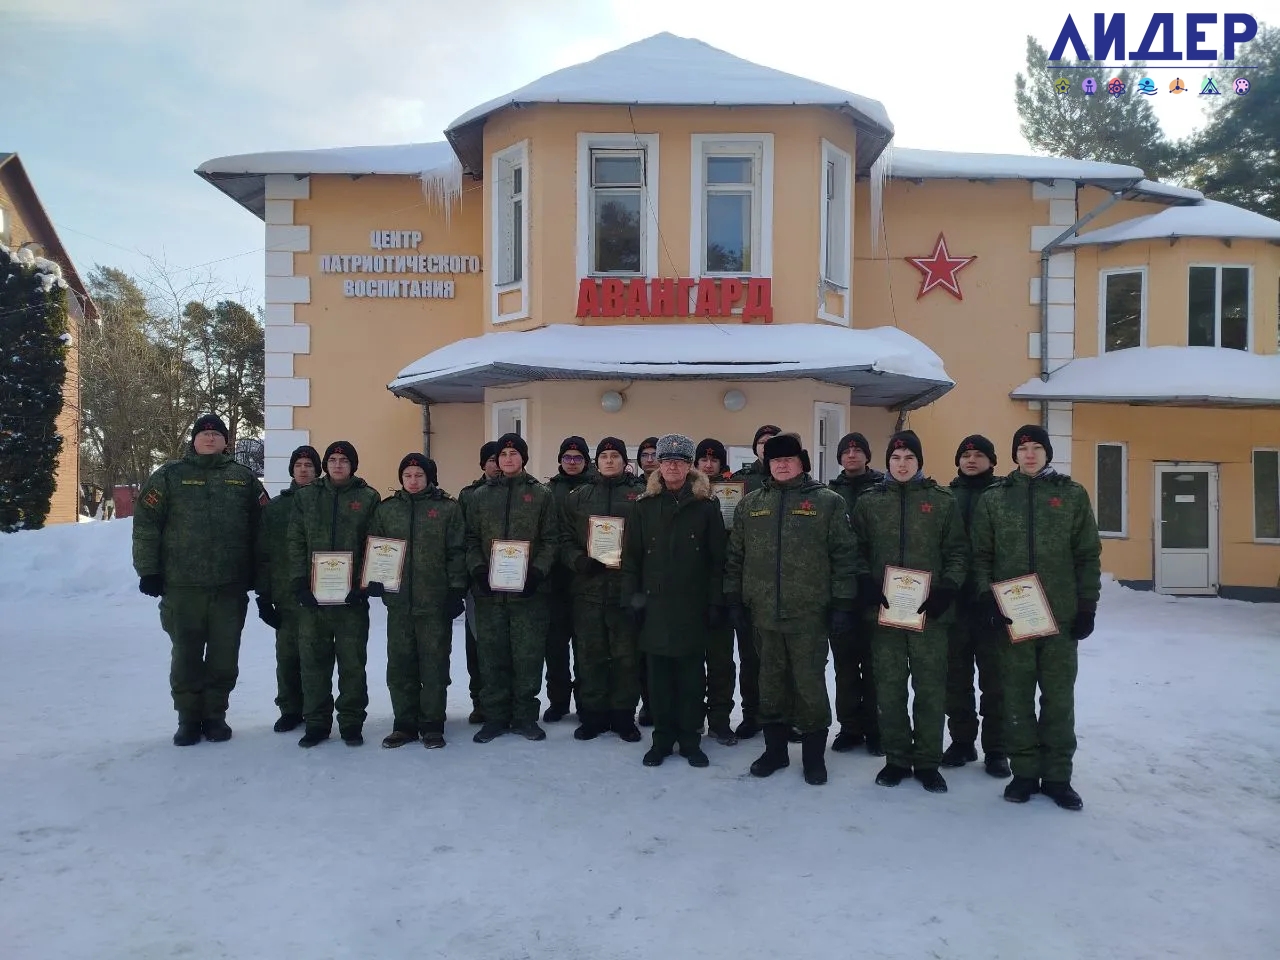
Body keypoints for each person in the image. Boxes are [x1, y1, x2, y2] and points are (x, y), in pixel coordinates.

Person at [971, 425, 1101, 811]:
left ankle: (1058, 777)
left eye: (1036, 448)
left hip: (1060, 617)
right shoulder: (996, 498)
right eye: (1023, 448)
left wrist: (1087, 605)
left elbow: (1087, 554)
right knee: (1016, 696)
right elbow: (981, 555)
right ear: (1014, 454)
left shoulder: (1071, 495)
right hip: (1014, 618)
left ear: (1048, 453)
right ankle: (1025, 772)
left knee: (1058, 698)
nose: (1029, 454)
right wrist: (988, 600)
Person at [725, 433, 859, 786]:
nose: (782, 465)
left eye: (788, 459)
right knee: (770, 684)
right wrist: (734, 599)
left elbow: (845, 556)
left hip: (809, 615)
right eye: (775, 460)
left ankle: (814, 757)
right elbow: (735, 556)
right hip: (764, 614)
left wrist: (843, 603)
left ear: (802, 462)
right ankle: (775, 751)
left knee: (809, 685)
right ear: (767, 464)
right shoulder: (751, 504)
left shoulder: (827, 502)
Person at [133, 414, 267, 746]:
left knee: (224, 657)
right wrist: (148, 571)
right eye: (204, 433)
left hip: (230, 586)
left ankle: (215, 715)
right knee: (186, 656)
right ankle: (188, 719)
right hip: (183, 587)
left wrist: (260, 574)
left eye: (216, 434)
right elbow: (146, 525)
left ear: (225, 441)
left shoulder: (243, 479)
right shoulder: (169, 476)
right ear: (193, 440)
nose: (209, 438)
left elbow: (264, 529)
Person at [851, 430, 968, 794]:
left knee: (930, 689)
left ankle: (928, 762)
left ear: (919, 462)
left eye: (909, 458)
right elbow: (855, 549)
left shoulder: (942, 501)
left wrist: (947, 589)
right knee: (889, 689)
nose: (902, 465)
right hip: (885, 614)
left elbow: (958, 551)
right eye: (896, 458)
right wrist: (865, 582)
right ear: (887, 462)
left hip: (929, 615)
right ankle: (897, 758)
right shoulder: (870, 502)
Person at [621, 434, 726, 769]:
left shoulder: (705, 506)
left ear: (689, 466)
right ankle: (662, 740)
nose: (673, 467)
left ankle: (691, 741)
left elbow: (717, 561)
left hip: (692, 609)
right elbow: (631, 559)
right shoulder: (644, 506)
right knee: (659, 682)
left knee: (692, 681)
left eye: (680, 462)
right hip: (654, 609)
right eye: (667, 461)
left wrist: (715, 603)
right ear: (659, 466)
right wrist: (632, 601)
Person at [366, 454, 467, 749]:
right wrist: (375, 577)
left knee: (435, 666)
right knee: (400, 666)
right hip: (399, 604)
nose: (412, 481)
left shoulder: (447, 509)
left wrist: (456, 590)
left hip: (435, 603)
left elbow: (456, 551)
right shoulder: (387, 509)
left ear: (429, 478)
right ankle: (404, 724)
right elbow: (376, 545)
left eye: (419, 475)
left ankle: (432, 724)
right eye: (407, 475)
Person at [465, 433, 560, 744]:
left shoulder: (541, 495)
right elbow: (469, 539)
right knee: (491, 657)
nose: (507, 459)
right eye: (502, 454)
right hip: (490, 595)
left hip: (529, 596)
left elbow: (551, 540)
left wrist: (537, 573)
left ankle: (525, 717)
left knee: (527, 657)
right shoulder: (480, 496)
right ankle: (495, 717)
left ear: (523, 458)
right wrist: (479, 570)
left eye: (513, 453)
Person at [288, 440, 381, 747]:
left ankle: (351, 722)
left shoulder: (367, 497)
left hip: (351, 601)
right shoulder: (306, 497)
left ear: (353, 465)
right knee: (314, 663)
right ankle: (316, 722)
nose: (338, 465)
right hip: (313, 600)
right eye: (332, 460)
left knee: (352, 664)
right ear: (325, 465)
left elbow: (374, 543)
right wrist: (300, 582)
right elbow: (295, 540)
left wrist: (363, 584)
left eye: (344, 460)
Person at [560, 437, 646, 742]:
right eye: (604, 455)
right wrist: (578, 560)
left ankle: (623, 717)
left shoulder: (641, 495)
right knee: (589, 656)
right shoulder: (579, 497)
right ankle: (592, 716)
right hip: (588, 591)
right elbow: (564, 538)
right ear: (596, 462)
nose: (609, 460)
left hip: (626, 591)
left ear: (625, 461)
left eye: (615, 455)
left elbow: (651, 540)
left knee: (626, 658)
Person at [942, 435, 1009, 778]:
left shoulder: (1003, 496)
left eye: (979, 454)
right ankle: (962, 741)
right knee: (955, 678)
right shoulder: (945, 497)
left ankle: (996, 749)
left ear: (992, 461)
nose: (971, 460)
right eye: (965, 454)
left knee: (996, 680)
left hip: (993, 603)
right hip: (954, 603)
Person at [255, 444, 321, 734]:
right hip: (286, 595)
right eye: (298, 465)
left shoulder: (326, 503)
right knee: (287, 656)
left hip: (322, 594)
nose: (303, 470)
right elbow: (264, 554)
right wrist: (264, 596)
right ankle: (290, 708)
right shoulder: (277, 508)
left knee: (316, 657)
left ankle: (316, 709)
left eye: (309, 465)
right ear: (292, 470)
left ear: (317, 470)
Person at [827, 432, 885, 756]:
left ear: (867, 455)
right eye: (846, 451)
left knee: (876, 667)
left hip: (875, 589)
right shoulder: (829, 493)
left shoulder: (882, 489)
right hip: (841, 593)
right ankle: (849, 727)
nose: (852, 455)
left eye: (858, 450)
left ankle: (876, 728)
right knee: (845, 667)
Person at [728, 423, 781, 739]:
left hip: (788, 585)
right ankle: (752, 714)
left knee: (784, 659)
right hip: (752, 585)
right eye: (762, 441)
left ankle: (785, 716)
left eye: (773, 441)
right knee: (750, 658)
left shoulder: (801, 485)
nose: (767, 446)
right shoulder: (740, 483)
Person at [544, 436, 594, 722]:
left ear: (586, 461)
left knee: (586, 647)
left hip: (588, 578)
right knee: (556, 647)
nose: (572, 462)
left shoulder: (596, 488)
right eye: (567, 457)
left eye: (577, 458)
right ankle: (559, 700)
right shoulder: (548, 491)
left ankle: (587, 700)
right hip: (555, 580)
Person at [694, 438, 738, 745]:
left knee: (721, 662)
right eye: (704, 460)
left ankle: (720, 719)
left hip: (723, 584)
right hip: (691, 590)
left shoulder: (736, 492)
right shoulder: (686, 494)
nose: (709, 465)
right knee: (692, 661)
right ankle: (694, 715)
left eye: (714, 460)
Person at [458, 441, 502, 724]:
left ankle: (507, 701)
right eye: (492, 459)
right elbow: (462, 537)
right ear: (483, 464)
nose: (497, 464)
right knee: (477, 643)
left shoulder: (525, 492)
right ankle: (480, 701)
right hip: (479, 582)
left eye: (502, 458)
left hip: (514, 581)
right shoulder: (469, 496)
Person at [634, 434, 661, 724]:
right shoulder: (632, 490)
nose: (650, 459)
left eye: (655, 454)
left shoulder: (677, 489)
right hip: (639, 581)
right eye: (645, 454)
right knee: (642, 650)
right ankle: (647, 702)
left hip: (667, 584)